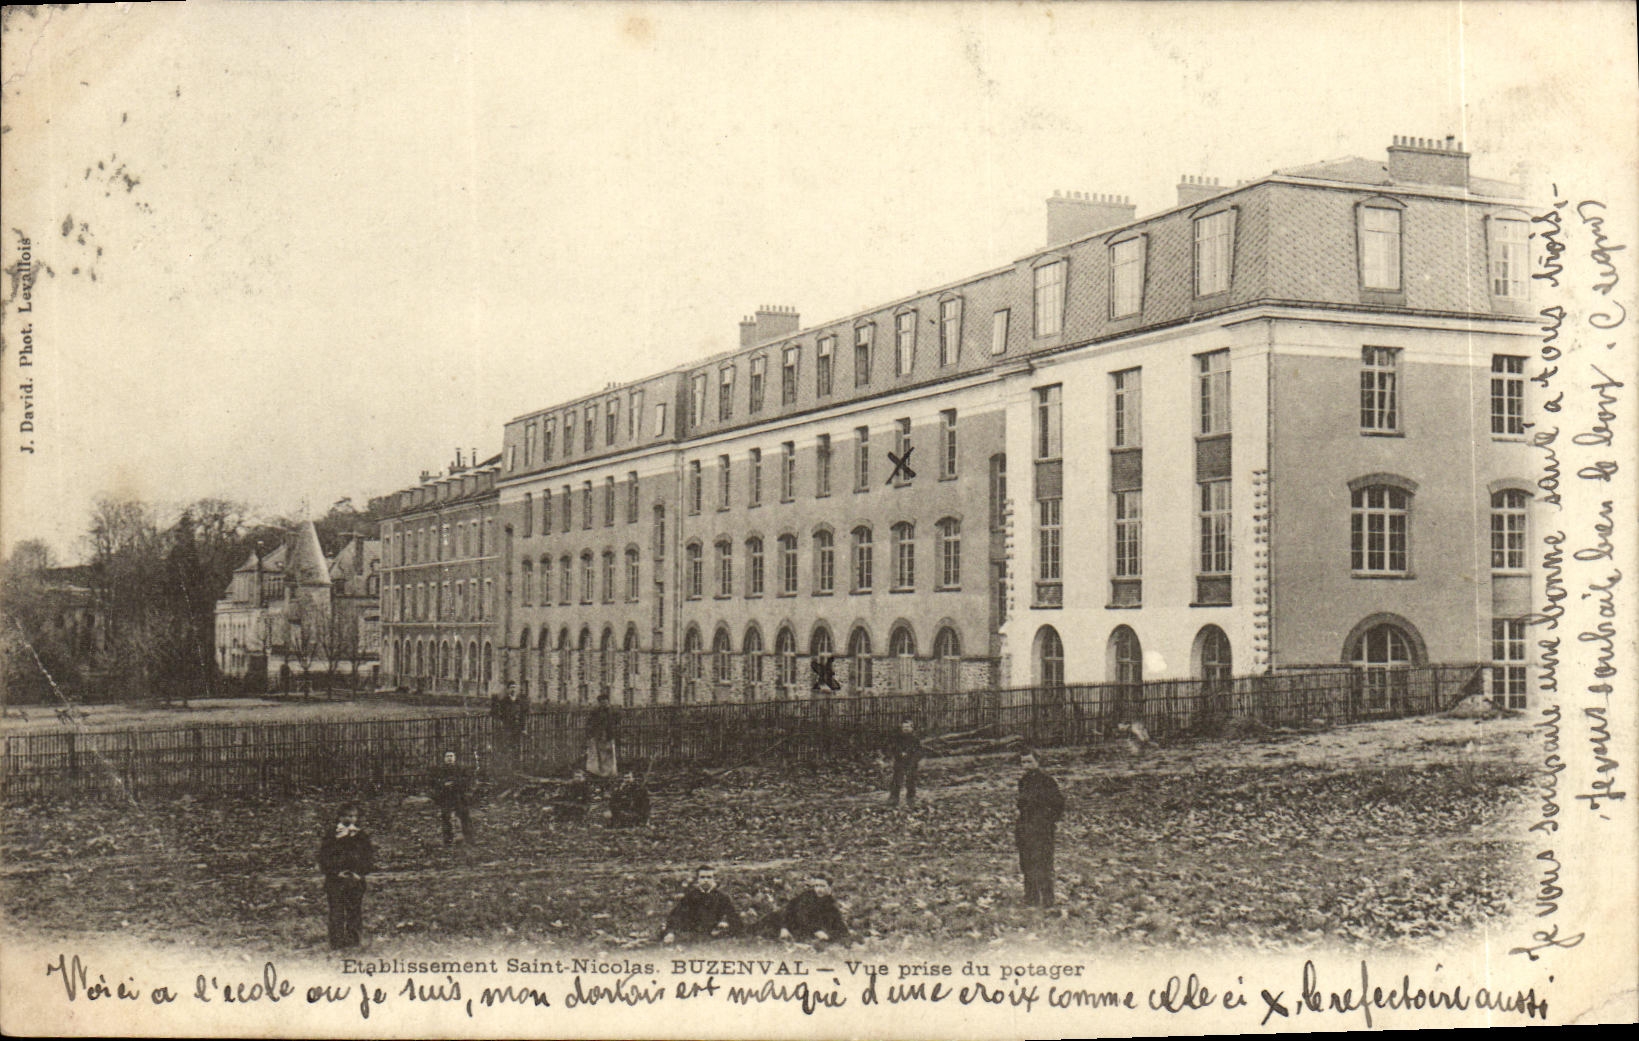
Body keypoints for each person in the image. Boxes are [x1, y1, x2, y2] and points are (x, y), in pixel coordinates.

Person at [317, 803, 375, 949]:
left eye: (353, 816)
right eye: (346, 816)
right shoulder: (332, 835)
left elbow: (367, 857)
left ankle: (353, 941)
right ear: (340, 817)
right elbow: (324, 857)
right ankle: (336, 942)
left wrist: (359, 873)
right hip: (335, 880)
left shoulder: (361, 835)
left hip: (355, 879)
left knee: (354, 910)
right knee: (336, 911)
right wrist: (335, 872)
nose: (350, 819)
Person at [1015, 750, 1065, 908]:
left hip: (1042, 828)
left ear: (1037, 762)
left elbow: (1058, 804)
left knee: (1043, 863)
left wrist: (1048, 821)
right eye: (1023, 762)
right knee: (1027, 863)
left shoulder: (1047, 781)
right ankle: (1031, 898)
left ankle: (1048, 899)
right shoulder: (1023, 781)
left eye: (1029, 762)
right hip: (1025, 827)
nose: (1026, 766)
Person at [661, 866, 738, 943]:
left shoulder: (722, 898)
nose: (706, 880)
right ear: (698, 879)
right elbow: (676, 917)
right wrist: (670, 933)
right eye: (702, 877)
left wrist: (725, 925)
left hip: (716, 938)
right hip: (693, 937)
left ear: (713, 879)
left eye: (709, 877)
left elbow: (733, 918)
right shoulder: (689, 897)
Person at [767, 875, 849, 943]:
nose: (818, 889)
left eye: (822, 886)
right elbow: (795, 913)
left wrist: (833, 935)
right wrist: (784, 927)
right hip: (779, 922)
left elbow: (838, 924)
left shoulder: (830, 904)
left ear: (829, 888)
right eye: (816, 886)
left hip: (800, 930)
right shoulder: (806, 897)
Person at [431, 750, 474, 845]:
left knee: (464, 815)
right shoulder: (440, 770)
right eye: (447, 756)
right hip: (446, 796)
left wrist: (454, 783)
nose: (449, 758)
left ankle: (469, 839)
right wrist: (444, 784)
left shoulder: (461, 769)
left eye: (451, 756)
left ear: (455, 758)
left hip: (459, 796)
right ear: (444, 758)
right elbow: (435, 782)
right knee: (446, 817)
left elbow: (466, 781)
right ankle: (448, 840)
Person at [887, 718, 924, 807]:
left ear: (912, 728)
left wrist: (914, 758)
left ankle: (911, 797)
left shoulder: (915, 739)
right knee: (897, 779)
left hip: (911, 761)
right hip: (900, 761)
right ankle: (894, 797)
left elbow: (919, 751)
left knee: (911, 779)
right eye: (904, 727)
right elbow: (893, 748)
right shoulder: (897, 738)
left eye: (908, 727)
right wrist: (899, 754)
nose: (906, 729)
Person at [585, 693, 619, 786]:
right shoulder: (596, 712)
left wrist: (612, 732)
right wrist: (592, 734)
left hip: (609, 735)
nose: (603, 703)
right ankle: (599, 773)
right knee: (599, 754)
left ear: (608, 701)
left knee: (609, 754)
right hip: (599, 736)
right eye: (601, 702)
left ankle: (610, 773)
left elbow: (616, 722)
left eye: (605, 701)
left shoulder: (613, 711)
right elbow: (590, 723)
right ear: (599, 703)